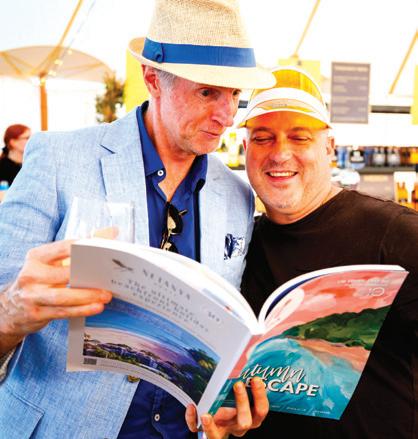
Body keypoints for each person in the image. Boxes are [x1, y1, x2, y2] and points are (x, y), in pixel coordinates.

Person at [0, 1, 275, 438]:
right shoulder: (58, 159)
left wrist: (224, 403)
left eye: (235, 95)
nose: (227, 116)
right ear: (152, 79)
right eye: (208, 92)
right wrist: (10, 312)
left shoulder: (237, 195)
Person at [239, 66, 418, 439]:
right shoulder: (239, 246)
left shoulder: (395, 234)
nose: (280, 153)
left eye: (299, 137)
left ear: (329, 147)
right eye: (263, 138)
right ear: (245, 150)